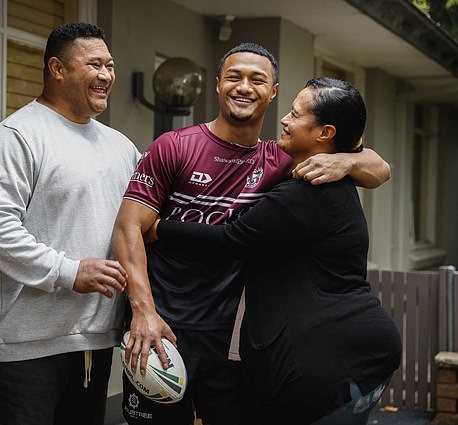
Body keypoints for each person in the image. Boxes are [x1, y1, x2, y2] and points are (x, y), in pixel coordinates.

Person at [111, 43, 391, 425]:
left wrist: (349, 158)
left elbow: (380, 169)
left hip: (230, 340)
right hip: (161, 328)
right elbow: (129, 228)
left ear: (273, 91)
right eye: (233, 77)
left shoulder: (281, 160)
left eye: (257, 79)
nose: (244, 87)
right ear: (217, 85)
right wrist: (142, 312)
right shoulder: (174, 146)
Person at [0, 22, 140, 425]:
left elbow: (137, 227)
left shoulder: (121, 147)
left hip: (94, 343)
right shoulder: (15, 136)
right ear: (57, 69)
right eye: (94, 64)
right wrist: (67, 270)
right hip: (23, 348)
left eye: (110, 65)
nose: (106, 75)